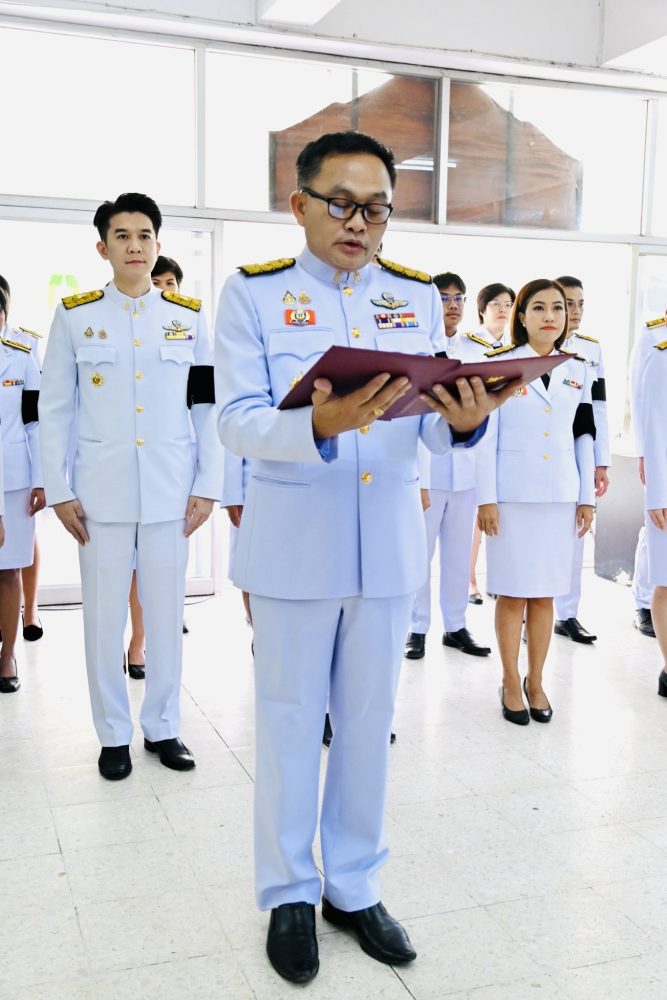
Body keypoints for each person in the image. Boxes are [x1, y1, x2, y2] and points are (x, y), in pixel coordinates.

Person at [214, 131, 521, 985]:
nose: (359, 223)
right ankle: (287, 891)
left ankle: (353, 886)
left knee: (367, 726)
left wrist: (465, 422)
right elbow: (234, 420)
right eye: (342, 204)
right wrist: (317, 423)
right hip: (292, 549)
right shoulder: (253, 294)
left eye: (376, 209)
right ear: (300, 204)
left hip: (385, 548)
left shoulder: (413, 296)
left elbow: (429, 423)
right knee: (287, 722)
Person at [39, 192, 221, 779]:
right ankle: (113, 734)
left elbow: (206, 406)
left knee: (166, 618)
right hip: (100, 496)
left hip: (171, 493)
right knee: (103, 621)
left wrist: (209, 483)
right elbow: (55, 410)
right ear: (103, 248)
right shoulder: (75, 315)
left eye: (144, 235)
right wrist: (59, 489)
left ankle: (163, 727)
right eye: (122, 236)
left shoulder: (188, 316)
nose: (134, 245)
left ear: (158, 245)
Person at [477, 279, 595, 725]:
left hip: (559, 496)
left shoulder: (578, 367)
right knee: (512, 594)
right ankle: (510, 681)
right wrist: (486, 499)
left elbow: (584, 434)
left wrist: (586, 498)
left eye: (558, 308)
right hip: (511, 498)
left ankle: (536, 681)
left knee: (545, 595)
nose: (551, 316)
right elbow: (484, 438)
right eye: (540, 308)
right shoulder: (499, 365)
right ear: (521, 316)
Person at [405, 272, 491, 659]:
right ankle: (416, 627)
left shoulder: (478, 350)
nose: (452, 305)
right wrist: (419, 479)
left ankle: (455, 626)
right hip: (430, 470)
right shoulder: (418, 347)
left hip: (466, 470)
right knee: (420, 554)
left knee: (458, 555)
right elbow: (415, 417)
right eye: (444, 297)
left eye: (459, 298)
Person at [123, 254, 192, 680]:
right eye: (158, 282)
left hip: (176, 468)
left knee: (168, 566)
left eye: (171, 283)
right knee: (135, 563)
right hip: (130, 468)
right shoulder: (131, 330)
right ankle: (138, 639)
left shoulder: (192, 326)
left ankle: (161, 627)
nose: (165, 290)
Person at [552, 276, 610, 644]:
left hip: (581, 448)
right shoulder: (535, 347)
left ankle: (567, 614)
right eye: (568, 303)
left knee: (576, 532)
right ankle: (529, 613)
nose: (575, 311)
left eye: (580, 304)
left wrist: (601, 462)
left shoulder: (591, 348)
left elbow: (598, 407)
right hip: (546, 450)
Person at [0, 286, 44, 692]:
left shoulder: (22, 354)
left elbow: (35, 421)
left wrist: (42, 479)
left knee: (9, 568)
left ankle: (8, 655)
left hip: (13, 479)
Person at [466, 282, 516, 602]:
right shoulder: (466, 345)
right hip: (471, 441)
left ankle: (498, 578)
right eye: (495, 303)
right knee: (474, 514)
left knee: (500, 513)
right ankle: (469, 577)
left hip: (506, 444)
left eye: (508, 304)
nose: (502, 309)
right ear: (482, 310)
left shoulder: (516, 349)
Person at [629, 310, 666, 638]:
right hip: (657, 453)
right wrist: (643, 453)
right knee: (654, 529)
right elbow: (640, 398)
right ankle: (642, 601)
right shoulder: (654, 336)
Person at [641, 336, 667, 695]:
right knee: (666, 579)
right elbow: (654, 429)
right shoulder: (661, 359)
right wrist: (657, 495)